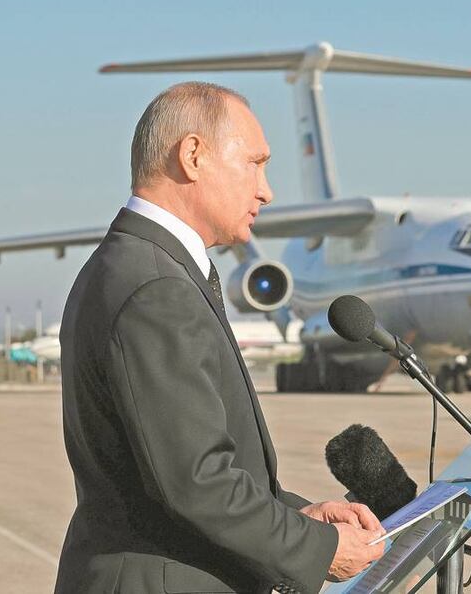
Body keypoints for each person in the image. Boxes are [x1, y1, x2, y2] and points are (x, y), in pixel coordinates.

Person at [55, 83, 384, 594]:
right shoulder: (156, 286)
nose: (266, 190)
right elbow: (197, 483)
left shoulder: (137, 264)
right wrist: (318, 549)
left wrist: (299, 515)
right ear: (192, 155)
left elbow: (176, 469)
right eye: (255, 163)